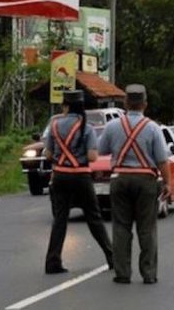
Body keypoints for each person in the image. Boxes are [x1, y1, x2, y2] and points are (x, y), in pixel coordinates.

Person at [98, 84, 170, 284]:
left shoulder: (112, 126)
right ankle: (148, 274)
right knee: (147, 228)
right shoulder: (153, 127)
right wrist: (167, 184)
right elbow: (162, 159)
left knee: (121, 227)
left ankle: (122, 273)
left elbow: (102, 150)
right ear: (145, 104)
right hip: (146, 180)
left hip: (120, 179)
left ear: (126, 103)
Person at [44, 90, 113, 274]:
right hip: (80, 176)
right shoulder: (87, 128)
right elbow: (92, 156)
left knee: (60, 219)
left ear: (65, 106)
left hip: (59, 176)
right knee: (94, 217)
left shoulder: (55, 125)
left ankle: (52, 261)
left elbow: (49, 154)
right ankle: (111, 256)